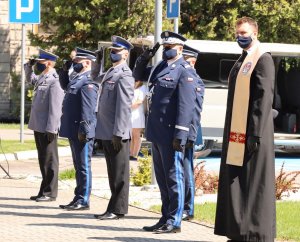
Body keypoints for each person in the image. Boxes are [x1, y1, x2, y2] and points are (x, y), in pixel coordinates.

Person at [214, 17, 276, 241]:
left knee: (251, 183)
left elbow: (263, 99)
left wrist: (255, 133)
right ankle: (237, 229)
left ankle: (254, 231)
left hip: (253, 135)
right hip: (238, 133)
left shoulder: (262, 59)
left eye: (244, 32)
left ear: (255, 33)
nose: (240, 36)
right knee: (237, 181)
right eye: (238, 33)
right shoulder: (242, 59)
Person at [133, 31, 200, 233]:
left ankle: (175, 220)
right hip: (157, 130)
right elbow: (138, 76)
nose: (167, 50)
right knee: (162, 179)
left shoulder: (185, 70)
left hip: (172, 132)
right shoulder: (161, 67)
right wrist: (144, 57)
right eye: (164, 47)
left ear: (180, 49)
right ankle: (165, 217)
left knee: (174, 177)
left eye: (170, 47)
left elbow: (186, 106)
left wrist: (181, 134)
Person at [93, 36, 134, 220]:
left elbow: (124, 107)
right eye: (112, 51)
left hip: (117, 132)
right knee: (113, 172)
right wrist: (97, 62)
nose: (113, 54)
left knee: (119, 174)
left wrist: (119, 132)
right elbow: (94, 77)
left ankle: (118, 209)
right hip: (107, 130)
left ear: (125, 54)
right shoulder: (112, 71)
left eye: (116, 51)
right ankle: (113, 207)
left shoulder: (125, 75)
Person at [59, 47, 99, 211]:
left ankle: (84, 199)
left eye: (77, 62)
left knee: (84, 165)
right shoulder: (77, 78)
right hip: (73, 128)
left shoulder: (89, 80)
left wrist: (85, 129)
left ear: (87, 63)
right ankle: (78, 196)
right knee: (78, 165)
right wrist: (64, 69)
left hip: (82, 130)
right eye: (74, 62)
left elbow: (88, 109)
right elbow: (65, 86)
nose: (74, 64)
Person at [24, 49, 64, 202]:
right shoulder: (43, 77)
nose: (38, 65)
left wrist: (52, 128)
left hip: (47, 127)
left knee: (50, 160)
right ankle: (43, 190)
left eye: (40, 62)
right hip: (38, 125)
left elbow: (55, 107)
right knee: (43, 159)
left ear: (48, 63)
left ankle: (50, 193)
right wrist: (29, 65)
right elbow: (30, 79)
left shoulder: (55, 80)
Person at [181, 44, 205, 221]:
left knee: (186, 170)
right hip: (182, 131)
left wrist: (191, 134)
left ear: (192, 62)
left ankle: (188, 208)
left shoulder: (194, 80)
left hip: (189, 131)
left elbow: (194, 111)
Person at [130, 80, 147, 161]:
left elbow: (139, 101)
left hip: (137, 114)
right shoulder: (132, 87)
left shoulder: (143, 87)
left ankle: (135, 154)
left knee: (136, 136)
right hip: (131, 114)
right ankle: (131, 153)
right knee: (132, 136)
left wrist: (128, 107)